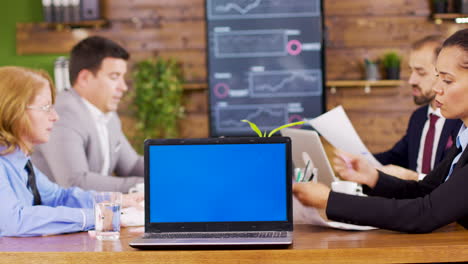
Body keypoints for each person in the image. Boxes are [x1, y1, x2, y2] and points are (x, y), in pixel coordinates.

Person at [293, 28, 468, 233]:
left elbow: (425, 213)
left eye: (447, 80)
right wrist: (372, 178)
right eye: (437, 76)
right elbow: (425, 190)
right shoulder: (462, 139)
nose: (437, 87)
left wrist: (327, 200)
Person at [0, 66, 142, 237]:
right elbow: (14, 221)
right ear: (13, 110)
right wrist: (100, 217)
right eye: (45, 108)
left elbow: (59, 197)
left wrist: (119, 200)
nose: (55, 117)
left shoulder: (19, 161)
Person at [32, 36, 144, 192]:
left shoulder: (108, 116)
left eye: (122, 77)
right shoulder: (62, 114)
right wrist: (144, 186)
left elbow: (131, 166)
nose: (123, 87)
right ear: (84, 78)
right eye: (114, 77)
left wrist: (171, 172)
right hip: (55, 213)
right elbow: (75, 182)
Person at [374, 35, 462, 181]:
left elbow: (454, 182)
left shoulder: (461, 122)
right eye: (411, 71)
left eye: (420, 72)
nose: (411, 80)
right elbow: (395, 157)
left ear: (441, 74)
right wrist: (359, 160)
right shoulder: (419, 117)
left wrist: (415, 177)